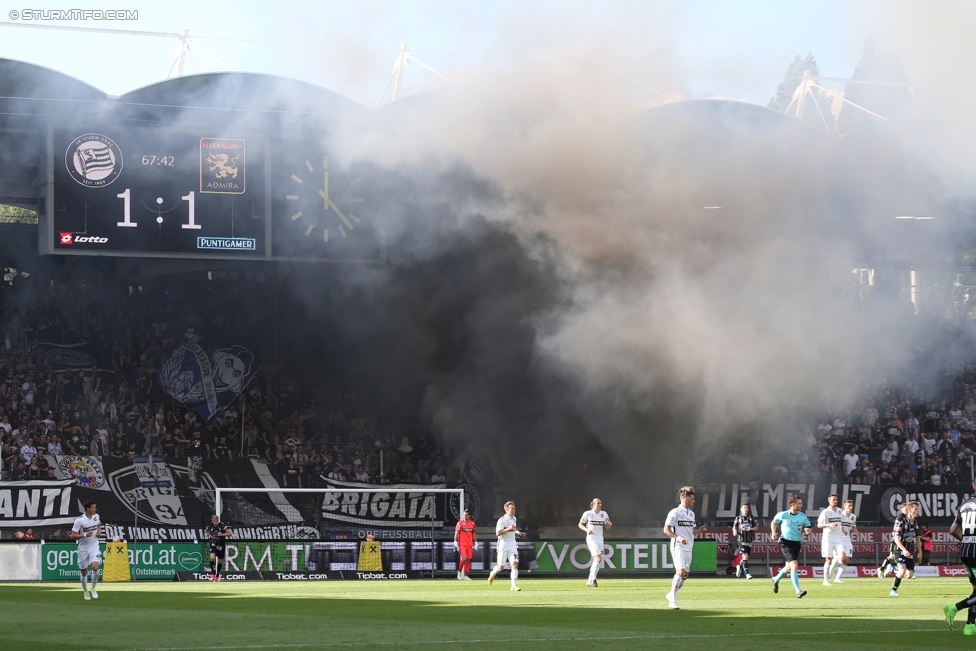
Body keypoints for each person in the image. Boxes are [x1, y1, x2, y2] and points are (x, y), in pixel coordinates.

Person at [663, 486, 706, 610]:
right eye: (692, 499)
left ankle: (671, 594)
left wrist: (699, 531)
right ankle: (673, 601)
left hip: (689, 546)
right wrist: (678, 537)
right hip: (678, 546)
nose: (694, 501)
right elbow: (666, 530)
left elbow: (691, 530)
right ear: (686, 500)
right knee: (680, 571)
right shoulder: (675, 512)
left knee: (684, 575)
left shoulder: (691, 514)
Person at [945, 481, 976, 635]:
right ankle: (955, 607)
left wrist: (965, 539)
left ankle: (970, 626)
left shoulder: (964, 505)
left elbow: (952, 530)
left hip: (966, 551)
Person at [771, 494, 812, 599]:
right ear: (793, 505)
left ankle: (776, 579)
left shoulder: (802, 516)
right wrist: (773, 532)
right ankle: (798, 591)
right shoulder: (783, 515)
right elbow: (774, 522)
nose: (801, 505)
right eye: (799, 503)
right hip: (785, 542)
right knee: (794, 565)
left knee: (788, 568)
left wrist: (808, 531)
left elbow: (809, 527)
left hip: (796, 543)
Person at [488, 501, 526, 591]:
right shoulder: (502, 520)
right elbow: (498, 533)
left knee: (515, 564)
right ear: (507, 510)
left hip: (512, 545)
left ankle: (513, 585)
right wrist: (508, 529)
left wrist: (519, 533)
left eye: (514, 508)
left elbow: (513, 529)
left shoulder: (514, 519)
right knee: (501, 567)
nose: (514, 510)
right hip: (503, 546)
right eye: (512, 508)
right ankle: (493, 573)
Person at [68, 501, 101, 601]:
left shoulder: (96, 516)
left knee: (95, 568)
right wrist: (85, 535)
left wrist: (99, 532)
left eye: (95, 507)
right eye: (93, 508)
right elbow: (73, 535)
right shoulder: (80, 520)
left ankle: (93, 588)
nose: (95, 509)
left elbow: (98, 525)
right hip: (83, 548)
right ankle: (85, 591)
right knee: (84, 572)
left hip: (94, 546)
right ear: (88, 509)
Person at [889, 501, 922, 597]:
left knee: (909, 575)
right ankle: (893, 591)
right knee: (902, 571)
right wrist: (903, 549)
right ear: (910, 510)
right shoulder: (902, 522)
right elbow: (896, 538)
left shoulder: (916, 524)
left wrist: (920, 551)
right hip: (899, 550)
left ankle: (895, 568)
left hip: (910, 551)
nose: (918, 511)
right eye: (916, 509)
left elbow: (918, 538)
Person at [578, 498, 612, 587]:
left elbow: (607, 528)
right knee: (598, 558)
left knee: (597, 561)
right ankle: (593, 580)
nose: (600, 505)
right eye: (598, 503)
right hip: (591, 539)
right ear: (592, 504)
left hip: (600, 539)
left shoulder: (604, 514)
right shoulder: (587, 514)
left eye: (600, 503)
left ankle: (589, 581)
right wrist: (587, 530)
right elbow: (580, 524)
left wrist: (608, 525)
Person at [818, 493, 845, 586]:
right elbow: (819, 525)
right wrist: (829, 525)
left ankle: (832, 569)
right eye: (833, 500)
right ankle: (825, 580)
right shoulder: (825, 512)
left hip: (838, 538)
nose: (835, 501)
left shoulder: (840, 511)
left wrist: (843, 529)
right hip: (828, 539)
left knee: (842, 557)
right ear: (829, 501)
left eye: (836, 500)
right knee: (828, 559)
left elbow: (840, 522)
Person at [831, 499, 858, 583]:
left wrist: (856, 532)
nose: (850, 507)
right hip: (839, 538)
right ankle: (832, 567)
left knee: (847, 559)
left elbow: (853, 526)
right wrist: (842, 529)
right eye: (848, 506)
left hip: (847, 539)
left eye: (851, 505)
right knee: (842, 557)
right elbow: (839, 524)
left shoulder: (853, 516)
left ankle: (837, 578)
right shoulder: (840, 514)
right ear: (844, 506)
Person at [732, 502, 757, 579]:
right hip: (741, 540)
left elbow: (756, 527)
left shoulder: (752, 518)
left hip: (749, 540)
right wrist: (734, 531)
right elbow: (734, 527)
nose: (745, 509)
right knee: (745, 556)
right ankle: (747, 574)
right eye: (744, 508)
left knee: (746, 557)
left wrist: (751, 528)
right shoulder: (738, 518)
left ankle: (739, 566)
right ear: (741, 509)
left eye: (746, 508)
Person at [206, 514, 233, 582]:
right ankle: (212, 573)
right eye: (214, 521)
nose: (216, 522)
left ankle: (217, 576)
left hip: (220, 544)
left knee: (219, 560)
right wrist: (211, 536)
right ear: (212, 521)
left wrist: (222, 534)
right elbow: (206, 530)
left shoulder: (222, 526)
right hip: (213, 543)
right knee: (212, 557)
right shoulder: (209, 526)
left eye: (217, 521)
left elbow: (230, 534)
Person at [454, 509, 477, 580]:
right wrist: (455, 542)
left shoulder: (472, 524)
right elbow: (457, 533)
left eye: (466, 515)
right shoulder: (460, 523)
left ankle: (466, 575)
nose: (465, 516)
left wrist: (475, 542)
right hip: (462, 544)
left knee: (468, 560)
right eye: (464, 515)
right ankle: (459, 572)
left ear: (469, 516)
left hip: (469, 544)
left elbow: (473, 533)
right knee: (464, 558)